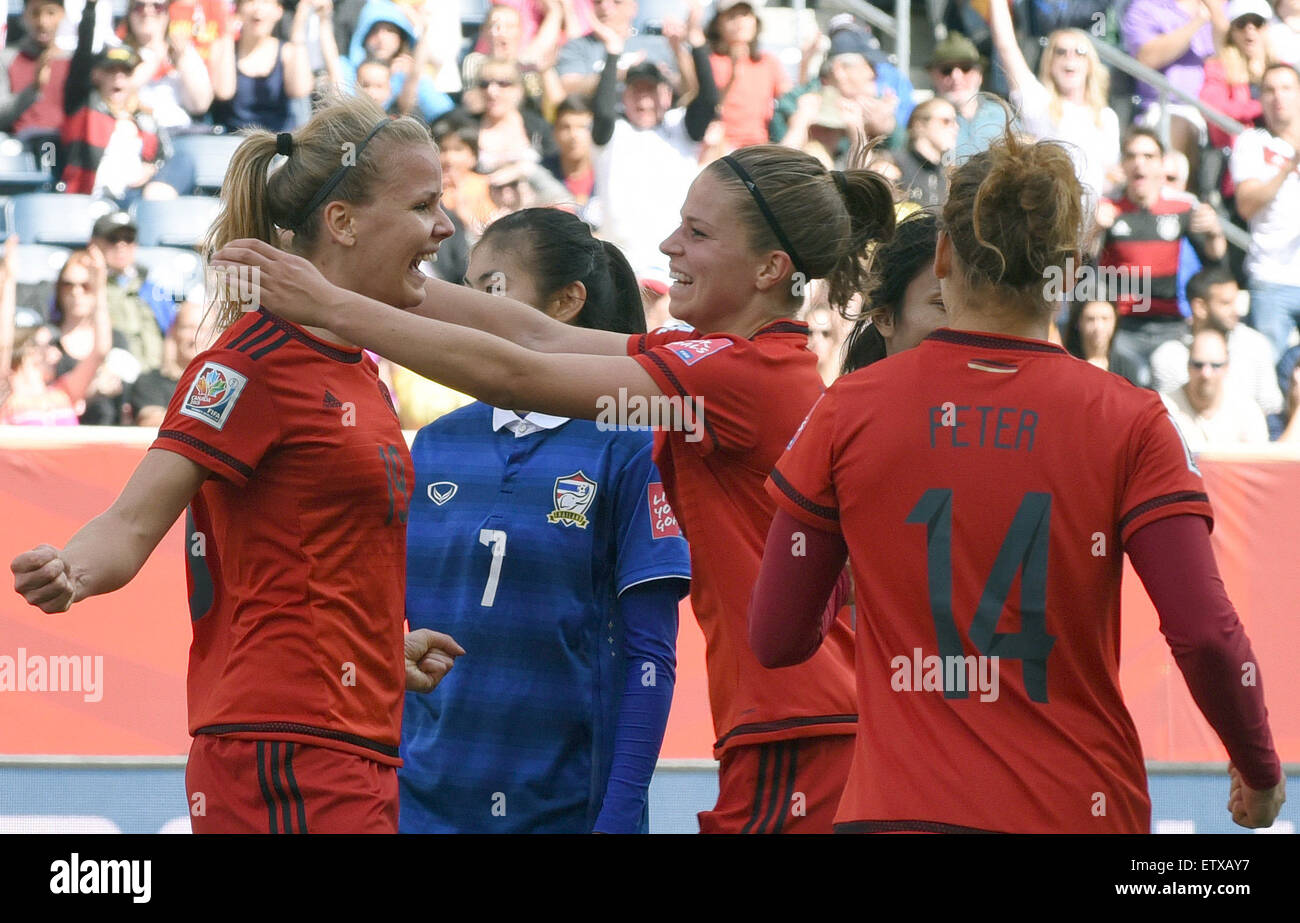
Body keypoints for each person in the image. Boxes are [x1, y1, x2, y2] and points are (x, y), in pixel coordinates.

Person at [213, 143, 897, 834]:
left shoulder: (736, 377)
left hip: (801, 730)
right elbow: (534, 335)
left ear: (770, 268)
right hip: (797, 725)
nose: (668, 244)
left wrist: (330, 303)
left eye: (697, 232)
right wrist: (368, 283)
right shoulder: (727, 361)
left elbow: (517, 373)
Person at [747, 131, 1285, 834]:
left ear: (942, 255)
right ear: (1070, 269)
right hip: (1074, 805)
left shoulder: (848, 408)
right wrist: (1259, 769)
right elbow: (1206, 634)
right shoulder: (1131, 419)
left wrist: (871, 552)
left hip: (895, 811)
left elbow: (779, 635)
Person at [10, 96, 462, 833]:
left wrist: (379, 646)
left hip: (356, 742)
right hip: (285, 746)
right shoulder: (247, 365)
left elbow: (311, 556)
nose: (444, 226)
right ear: (343, 222)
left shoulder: (364, 374)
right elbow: (130, 523)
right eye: (423, 204)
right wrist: (71, 570)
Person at [399, 208, 690, 834]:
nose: (467, 309)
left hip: (563, 812)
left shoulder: (632, 444)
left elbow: (650, 656)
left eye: (491, 290)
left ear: (566, 302)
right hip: (421, 807)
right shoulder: (434, 445)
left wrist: (616, 818)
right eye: (468, 288)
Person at [588, 23, 718, 278]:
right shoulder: (613, 133)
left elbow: (709, 100)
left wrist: (697, 44)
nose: (644, 101)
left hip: (674, 259)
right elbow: (602, 110)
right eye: (636, 92)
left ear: (667, 96)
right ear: (624, 98)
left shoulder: (680, 127)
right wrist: (613, 52)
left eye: (652, 92)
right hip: (621, 261)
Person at [1097, 127, 1227, 365]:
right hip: (1123, 328)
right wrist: (1092, 230)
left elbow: (1214, 260)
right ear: (1123, 165)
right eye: (1131, 156)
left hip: (1171, 327)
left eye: (1148, 156)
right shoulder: (1107, 210)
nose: (1140, 164)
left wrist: (1215, 232)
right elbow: (1083, 265)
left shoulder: (1182, 208)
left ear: (1162, 164)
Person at [989, 0, 1120, 203]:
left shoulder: (1107, 117)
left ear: (1090, 64)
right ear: (1050, 63)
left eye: (1080, 52)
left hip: (1094, 219)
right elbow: (1006, 45)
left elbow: (1112, 175)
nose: (1070, 57)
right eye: (1060, 51)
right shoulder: (1039, 102)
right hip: (1052, 212)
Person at [0, 239, 111, 425]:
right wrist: (9, 281)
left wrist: (99, 288)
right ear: (27, 350)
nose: (57, 353)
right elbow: (3, 345)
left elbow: (100, 350)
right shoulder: (5, 396)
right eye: (47, 346)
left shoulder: (65, 392)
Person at [1231, 63, 1300, 359]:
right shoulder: (1252, 142)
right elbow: (1246, 204)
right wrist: (1289, 165)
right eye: (1269, 90)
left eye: (1286, 88)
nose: (1278, 97)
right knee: (1266, 379)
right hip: (1271, 278)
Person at [1150, 266, 1284, 414]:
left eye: (1235, 302)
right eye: (1226, 303)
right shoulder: (1168, 355)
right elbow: (1169, 414)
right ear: (1200, 307)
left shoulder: (1255, 345)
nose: (1236, 311)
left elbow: (1270, 406)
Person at [1123, 0, 1227, 181]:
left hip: (1217, 110)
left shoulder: (1224, 5)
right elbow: (1147, 57)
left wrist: (1216, 13)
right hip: (1165, 107)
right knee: (1177, 124)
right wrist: (1197, 22)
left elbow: (1231, 55)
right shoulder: (1146, 7)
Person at [840, 210, 948, 374]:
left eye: (976, 306)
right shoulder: (843, 398)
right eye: (943, 305)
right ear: (884, 318)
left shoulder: (997, 398)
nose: (965, 325)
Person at [209, 0, 312, 133]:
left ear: (278, 10)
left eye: (265, 1)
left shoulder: (288, 51)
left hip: (277, 142)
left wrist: (299, 25)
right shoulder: (222, 47)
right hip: (233, 142)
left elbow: (301, 90)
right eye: (250, 1)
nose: (257, 8)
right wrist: (228, 36)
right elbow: (224, 92)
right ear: (239, 10)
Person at [1162, 327, 1272, 449]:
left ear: (1227, 367)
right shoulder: (1163, 409)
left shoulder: (1247, 411)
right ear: (1188, 365)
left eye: (1215, 366)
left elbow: (1258, 462)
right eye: (1198, 365)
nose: (1206, 373)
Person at [705, 0, 789, 150]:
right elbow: (710, 107)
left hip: (760, 148)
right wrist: (733, 72)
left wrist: (806, 61)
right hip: (721, 147)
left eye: (745, 15)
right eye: (732, 16)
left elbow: (790, 98)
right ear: (718, 24)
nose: (740, 22)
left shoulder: (768, 61)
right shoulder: (710, 61)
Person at [119, 0, 213, 131]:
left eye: (157, 7)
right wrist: (156, 58)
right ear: (129, 14)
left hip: (180, 132)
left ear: (167, 13)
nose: (147, 11)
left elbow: (200, 105)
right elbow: (121, 92)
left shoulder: (182, 50)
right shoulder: (119, 51)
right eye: (139, 7)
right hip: (137, 130)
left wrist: (182, 58)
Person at [556, 0, 678, 99]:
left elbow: (687, 89)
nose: (605, 7)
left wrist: (664, 73)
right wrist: (622, 73)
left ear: (633, 8)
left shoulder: (657, 45)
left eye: (616, 2)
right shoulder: (578, 45)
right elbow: (567, 87)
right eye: (598, 2)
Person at [127, 292, 203, 426]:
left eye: (203, 329)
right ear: (173, 332)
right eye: (187, 328)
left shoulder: (227, 384)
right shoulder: (149, 382)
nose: (194, 337)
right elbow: (151, 421)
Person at [927, 32, 1005, 160]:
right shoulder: (924, 120)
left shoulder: (1003, 116)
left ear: (980, 74)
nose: (956, 77)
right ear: (932, 76)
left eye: (965, 68)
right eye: (946, 70)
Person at [0, 0, 71, 136]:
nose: (42, 22)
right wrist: (34, 88)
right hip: (19, 147)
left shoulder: (72, 62)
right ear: (24, 16)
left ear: (63, 15)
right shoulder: (7, 58)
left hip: (65, 147)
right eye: (35, 13)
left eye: (51, 13)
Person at [1063, 298, 1150, 385]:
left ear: (1115, 321)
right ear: (1078, 322)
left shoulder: (1127, 367)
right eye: (1090, 319)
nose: (1098, 327)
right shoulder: (1066, 365)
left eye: (1105, 319)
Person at [897, 98, 959, 208]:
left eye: (956, 122)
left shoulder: (949, 174)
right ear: (919, 125)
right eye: (946, 121)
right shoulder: (894, 165)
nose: (956, 128)